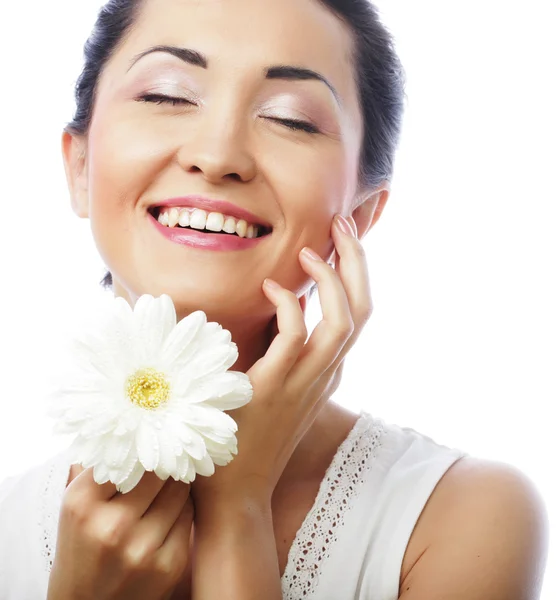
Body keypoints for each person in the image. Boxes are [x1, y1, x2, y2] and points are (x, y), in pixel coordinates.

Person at [0, 0, 549, 598]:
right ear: (80, 167)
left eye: (292, 119)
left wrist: (238, 511)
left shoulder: (463, 516)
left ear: (359, 216)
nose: (217, 156)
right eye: (167, 95)